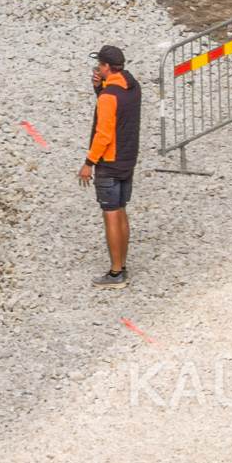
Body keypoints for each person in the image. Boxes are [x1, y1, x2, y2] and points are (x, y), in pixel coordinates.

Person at [79, 43, 141, 285]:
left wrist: (88, 163)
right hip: (128, 159)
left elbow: (103, 134)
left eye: (100, 66)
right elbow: (119, 107)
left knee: (111, 214)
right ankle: (122, 264)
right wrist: (99, 88)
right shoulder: (132, 87)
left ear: (106, 67)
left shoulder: (108, 98)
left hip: (109, 162)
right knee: (121, 209)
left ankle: (116, 272)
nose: (97, 69)